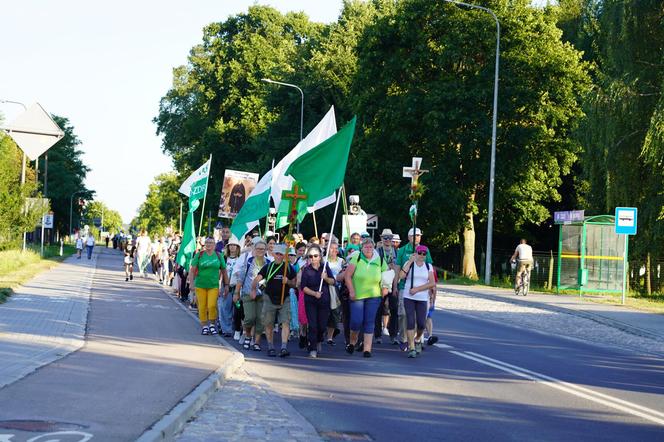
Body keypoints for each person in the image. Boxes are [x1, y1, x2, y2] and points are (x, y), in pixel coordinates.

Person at [344, 237, 388, 358]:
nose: (368, 249)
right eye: (366, 247)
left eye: (370, 246)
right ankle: (353, 342)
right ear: (362, 248)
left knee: (369, 322)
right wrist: (351, 291)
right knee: (356, 321)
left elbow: (386, 275)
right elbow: (347, 276)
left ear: (374, 247)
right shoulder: (356, 258)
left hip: (374, 295)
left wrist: (385, 287)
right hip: (357, 295)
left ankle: (367, 349)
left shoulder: (379, 259)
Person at [252, 243, 296, 357]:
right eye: (277, 254)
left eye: (282, 254)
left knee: (285, 322)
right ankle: (271, 346)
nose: (279, 256)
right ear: (273, 254)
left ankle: (283, 347)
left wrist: (288, 282)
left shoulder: (288, 268)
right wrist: (253, 289)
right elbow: (257, 279)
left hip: (284, 299)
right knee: (268, 323)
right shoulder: (268, 267)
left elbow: (295, 283)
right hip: (269, 299)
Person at [395, 228, 433, 350]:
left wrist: (432, 291)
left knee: (420, 318)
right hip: (404, 287)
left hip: (421, 292)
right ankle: (404, 339)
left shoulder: (424, 250)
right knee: (404, 315)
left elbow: (430, 271)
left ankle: (416, 339)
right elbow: (398, 269)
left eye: (419, 235)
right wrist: (395, 285)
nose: (417, 237)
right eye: (415, 235)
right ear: (409, 237)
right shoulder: (402, 250)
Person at [399, 245, 436, 358]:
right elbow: (401, 276)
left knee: (421, 323)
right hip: (409, 297)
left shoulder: (428, 266)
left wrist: (417, 289)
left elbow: (432, 283)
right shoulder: (409, 264)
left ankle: (418, 338)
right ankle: (412, 347)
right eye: (420, 253)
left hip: (421, 297)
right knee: (410, 321)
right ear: (415, 253)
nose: (422, 255)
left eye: (424, 254)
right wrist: (410, 262)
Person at [300, 244, 335, 358]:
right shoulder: (306, 270)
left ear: (320, 257)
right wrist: (314, 293)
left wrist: (325, 278)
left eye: (315, 256)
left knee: (322, 326)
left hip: (324, 301)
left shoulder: (325, 267)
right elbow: (303, 287)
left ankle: (319, 340)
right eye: (310, 256)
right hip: (310, 301)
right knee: (313, 325)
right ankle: (313, 348)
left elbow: (333, 281)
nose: (313, 258)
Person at [235, 238, 271, 351]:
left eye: (262, 249)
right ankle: (248, 335)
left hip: (263, 295)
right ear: (254, 249)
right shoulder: (249, 261)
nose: (260, 250)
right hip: (247, 293)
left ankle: (257, 342)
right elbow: (241, 278)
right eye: (258, 248)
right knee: (250, 318)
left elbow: (269, 280)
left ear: (265, 250)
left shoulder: (268, 263)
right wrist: (236, 292)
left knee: (260, 319)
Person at [189, 237, 229, 335]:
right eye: (207, 242)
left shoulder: (219, 256)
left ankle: (212, 324)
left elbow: (224, 271)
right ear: (204, 244)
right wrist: (191, 283)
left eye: (211, 243)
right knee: (202, 306)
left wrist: (227, 284)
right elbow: (192, 270)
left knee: (211, 306)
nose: (208, 244)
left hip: (213, 285)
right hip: (200, 285)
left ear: (214, 244)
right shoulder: (199, 255)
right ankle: (204, 326)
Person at [376, 229, 398, 344]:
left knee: (394, 310)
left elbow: (397, 270)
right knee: (378, 310)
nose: (388, 240)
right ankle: (378, 335)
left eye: (390, 238)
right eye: (385, 238)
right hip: (380, 284)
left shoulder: (396, 252)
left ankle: (393, 335)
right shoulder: (377, 251)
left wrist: (395, 288)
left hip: (392, 283)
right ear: (381, 239)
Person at [324, 241, 345, 346]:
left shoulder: (341, 261)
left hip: (337, 290)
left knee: (335, 312)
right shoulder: (323, 260)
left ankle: (330, 337)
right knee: (325, 312)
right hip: (325, 289)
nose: (334, 250)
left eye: (336, 248)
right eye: (332, 248)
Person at [221, 238, 241, 337]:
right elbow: (220, 273)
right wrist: (224, 285)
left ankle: (236, 328)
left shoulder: (241, 258)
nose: (232, 247)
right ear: (228, 247)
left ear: (237, 247)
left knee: (237, 309)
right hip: (226, 286)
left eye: (235, 245)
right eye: (231, 245)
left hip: (237, 287)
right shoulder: (224, 258)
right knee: (225, 308)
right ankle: (226, 329)